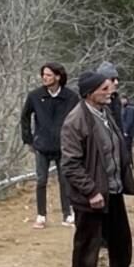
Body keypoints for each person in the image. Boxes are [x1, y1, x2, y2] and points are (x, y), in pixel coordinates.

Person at [59, 69, 134, 267]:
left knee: (121, 238)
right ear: (90, 93)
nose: (110, 90)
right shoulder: (76, 120)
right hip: (91, 195)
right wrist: (91, 191)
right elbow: (70, 165)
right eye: (104, 88)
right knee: (87, 244)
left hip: (112, 189)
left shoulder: (104, 112)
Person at [21, 62, 81, 229]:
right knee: (41, 180)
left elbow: (79, 120)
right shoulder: (34, 96)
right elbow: (25, 117)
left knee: (65, 181)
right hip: (42, 146)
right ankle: (41, 215)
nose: (44, 78)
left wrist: (77, 141)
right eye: (43, 75)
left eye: (48, 75)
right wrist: (28, 140)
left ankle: (68, 214)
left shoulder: (71, 97)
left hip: (64, 146)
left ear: (58, 77)